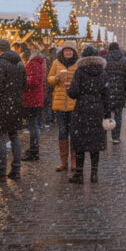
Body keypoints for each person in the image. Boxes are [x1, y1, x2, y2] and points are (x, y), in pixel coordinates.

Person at [66, 45, 110, 183]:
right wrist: (107, 114)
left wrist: (68, 89)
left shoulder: (80, 72)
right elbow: (106, 95)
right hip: (97, 110)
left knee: (80, 142)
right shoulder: (103, 73)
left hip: (82, 109)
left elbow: (74, 93)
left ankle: (79, 174)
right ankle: (94, 174)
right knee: (95, 143)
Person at [0, 38, 26, 182]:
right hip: (15, 104)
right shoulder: (19, 63)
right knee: (14, 136)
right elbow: (24, 83)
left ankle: (1, 171)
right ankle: (16, 169)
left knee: (1, 137)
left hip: (1, 105)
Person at [47, 40, 79, 171]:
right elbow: (49, 78)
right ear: (63, 52)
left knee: (73, 132)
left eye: (70, 51)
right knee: (62, 132)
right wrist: (56, 78)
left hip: (73, 104)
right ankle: (63, 161)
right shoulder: (56, 63)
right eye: (66, 50)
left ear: (74, 52)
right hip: (59, 104)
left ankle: (74, 161)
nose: (68, 53)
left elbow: (80, 81)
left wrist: (74, 84)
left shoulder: (77, 64)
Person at [103, 42, 126, 144]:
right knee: (118, 115)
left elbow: (102, 75)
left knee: (106, 114)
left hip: (107, 91)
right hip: (120, 92)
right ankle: (116, 137)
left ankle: (104, 136)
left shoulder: (105, 59)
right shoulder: (124, 60)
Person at [21, 45, 47, 161]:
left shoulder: (33, 64)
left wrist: (22, 82)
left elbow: (32, 82)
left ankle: (34, 150)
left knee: (33, 126)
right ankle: (33, 148)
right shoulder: (38, 63)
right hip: (35, 98)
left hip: (32, 99)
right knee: (34, 125)